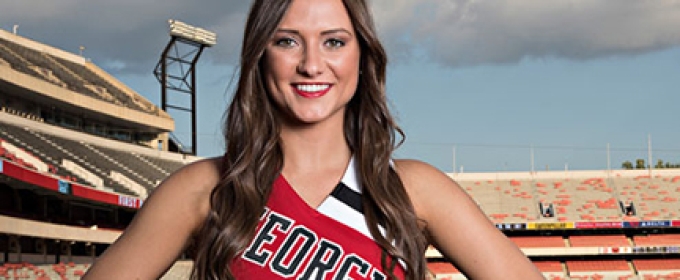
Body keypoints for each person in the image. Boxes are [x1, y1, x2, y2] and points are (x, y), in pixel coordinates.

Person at [83, 0, 543, 279]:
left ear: (363, 58)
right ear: (260, 56)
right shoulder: (204, 187)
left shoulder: (416, 190)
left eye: (334, 42)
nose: (311, 64)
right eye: (287, 41)